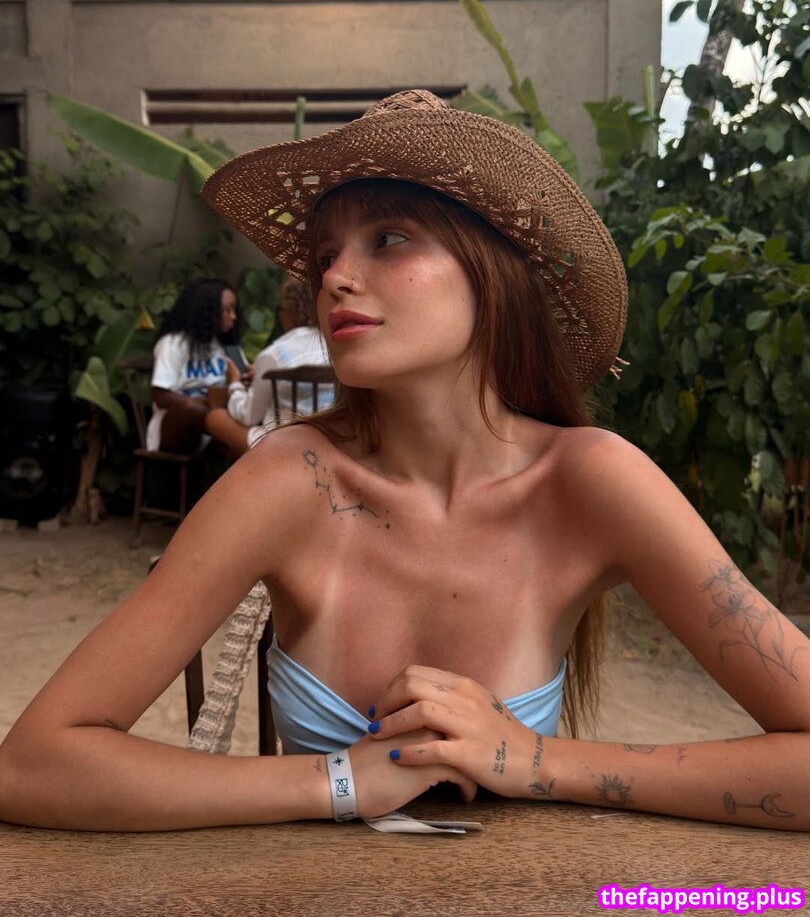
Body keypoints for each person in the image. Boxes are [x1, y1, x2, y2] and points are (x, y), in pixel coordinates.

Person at [0, 89, 808, 833]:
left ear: (492, 271)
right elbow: (33, 764)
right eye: (325, 257)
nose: (335, 279)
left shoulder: (591, 482)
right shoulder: (291, 480)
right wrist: (338, 780)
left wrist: (534, 760)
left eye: (389, 239)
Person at [205, 276, 334, 458]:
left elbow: (249, 415)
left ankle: (258, 471)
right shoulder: (336, 348)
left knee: (215, 417)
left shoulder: (273, 355)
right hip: (329, 440)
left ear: (288, 313)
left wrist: (235, 384)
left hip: (283, 445)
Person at [146, 278, 241, 454]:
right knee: (190, 408)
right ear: (208, 312)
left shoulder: (227, 348)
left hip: (216, 425)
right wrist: (202, 403)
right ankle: (240, 441)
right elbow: (160, 396)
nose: (233, 317)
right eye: (227, 310)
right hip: (176, 429)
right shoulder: (173, 344)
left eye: (234, 310)